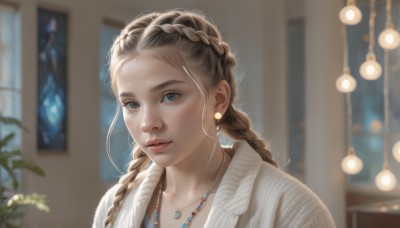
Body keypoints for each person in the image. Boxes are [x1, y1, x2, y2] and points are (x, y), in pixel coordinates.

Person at [93, 9, 336, 228]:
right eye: (131, 104)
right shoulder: (114, 208)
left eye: (170, 96)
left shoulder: (292, 212)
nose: (148, 123)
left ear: (219, 98)